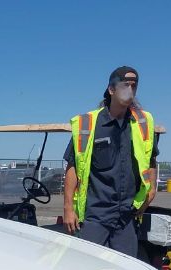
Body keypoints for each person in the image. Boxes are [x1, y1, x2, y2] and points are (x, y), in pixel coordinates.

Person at [63, 66, 159, 257]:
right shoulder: (88, 124)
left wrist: (152, 191)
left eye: (134, 86)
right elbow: (73, 167)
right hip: (96, 216)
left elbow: (151, 159)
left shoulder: (143, 123)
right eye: (125, 85)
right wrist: (68, 208)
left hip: (127, 216)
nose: (130, 90)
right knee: (87, 268)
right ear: (111, 89)